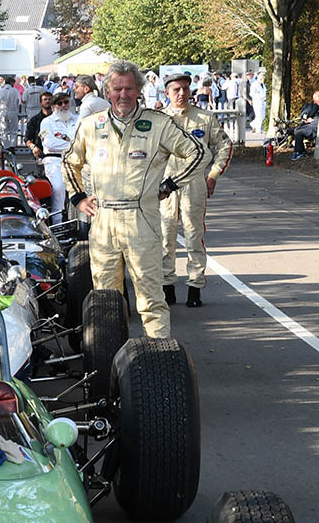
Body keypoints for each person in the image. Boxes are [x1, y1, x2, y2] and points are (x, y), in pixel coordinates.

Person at [63, 60, 206, 338]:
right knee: (106, 301)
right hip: (102, 220)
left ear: (139, 90)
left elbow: (198, 154)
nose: (123, 95)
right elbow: (70, 162)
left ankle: (157, 358)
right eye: (117, 89)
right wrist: (78, 198)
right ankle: (109, 363)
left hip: (142, 218)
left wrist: (171, 184)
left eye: (129, 88)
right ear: (107, 91)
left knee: (150, 298)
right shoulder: (91, 125)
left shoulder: (158, 124)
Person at [160, 73, 233, 308]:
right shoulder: (158, 119)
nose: (181, 94)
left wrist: (213, 174)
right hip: (165, 186)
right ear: (167, 93)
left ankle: (195, 286)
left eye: (185, 89)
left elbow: (224, 145)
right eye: (176, 90)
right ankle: (167, 285)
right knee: (164, 235)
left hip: (194, 184)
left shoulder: (204, 117)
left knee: (193, 235)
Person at [38, 91, 79, 224]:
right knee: (59, 187)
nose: (63, 105)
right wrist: (72, 142)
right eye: (59, 103)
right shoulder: (47, 122)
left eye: (66, 102)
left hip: (76, 160)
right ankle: (57, 223)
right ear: (54, 106)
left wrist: (68, 141)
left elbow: (84, 141)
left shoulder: (78, 119)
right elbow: (50, 143)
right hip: (54, 161)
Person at [0, 74, 22, 145]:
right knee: (13, 131)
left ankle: (6, 146)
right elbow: (18, 103)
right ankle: (12, 146)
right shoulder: (15, 91)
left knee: (4, 131)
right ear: (11, 83)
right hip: (13, 111)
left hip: (3, 111)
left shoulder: (1, 91)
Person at [25, 89, 54, 159]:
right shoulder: (34, 120)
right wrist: (34, 147)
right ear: (41, 103)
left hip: (56, 155)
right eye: (45, 99)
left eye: (49, 99)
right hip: (40, 155)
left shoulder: (58, 119)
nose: (47, 101)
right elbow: (27, 139)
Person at [292, 90, 319, 159]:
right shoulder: (315, 106)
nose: (314, 102)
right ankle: (301, 151)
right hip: (310, 126)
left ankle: (299, 152)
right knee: (296, 129)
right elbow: (308, 113)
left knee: (299, 132)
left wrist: (311, 120)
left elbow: (318, 120)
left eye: (315, 99)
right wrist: (306, 118)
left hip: (315, 128)